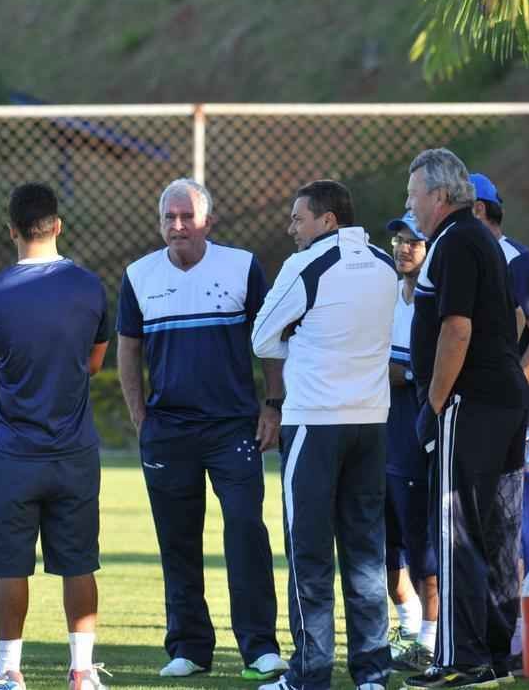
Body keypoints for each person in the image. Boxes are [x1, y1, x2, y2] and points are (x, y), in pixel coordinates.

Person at [116, 178, 287, 683]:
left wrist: (272, 405)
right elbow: (128, 347)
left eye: (187, 216)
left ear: (207, 220)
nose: (177, 226)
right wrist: (139, 416)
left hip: (233, 428)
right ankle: (189, 647)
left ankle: (260, 647)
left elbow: (270, 341)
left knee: (245, 533)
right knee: (178, 541)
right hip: (167, 431)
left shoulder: (242, 265)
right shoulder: (138, 275)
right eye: (169, 217)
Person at [0, 182, 112, 690]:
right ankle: (82, 672)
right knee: (79, 563)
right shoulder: (90, 287)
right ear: (58, 226)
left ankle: (9, 672)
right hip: (74, 450)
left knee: (9, 565)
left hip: (13, 453)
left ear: (11, 230)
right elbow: (95, 362)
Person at [251, 179, 398, 690]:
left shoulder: (305, 266)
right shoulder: (384, 263)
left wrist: (306, 340)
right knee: (365, 551)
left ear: (328, 220)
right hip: (372, 421)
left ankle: (310, 675)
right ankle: (373, 674)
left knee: (309, 553)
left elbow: (262, 335)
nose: (291, 227)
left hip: (315, 421)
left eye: (299, 218)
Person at [403, 150, 528, 688]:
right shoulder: (481, 240)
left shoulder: (455, 241)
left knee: (457, 532)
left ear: (437, 196)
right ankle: (498, 654)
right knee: (496, 531)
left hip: (469, 402)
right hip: (502, 397)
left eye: (413, 196)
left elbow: (457, 329)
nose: (409, 206)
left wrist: (434, 401)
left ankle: (462, 659)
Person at [382, 212, 439, 671]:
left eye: (414, 241)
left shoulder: (435, 300)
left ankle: (432, 637)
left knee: (422, 542)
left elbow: (429, 370)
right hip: (377, 428)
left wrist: (401, 375)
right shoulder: (386, 295)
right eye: (400, 239)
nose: (404, 247)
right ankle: (407, 624)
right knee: (383, 541)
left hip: (414, 425)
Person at [467, 173, 529, 453]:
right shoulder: (465, 259)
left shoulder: (519, 262)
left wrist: (508, 389)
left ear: (478, 210)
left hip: (513, 418)